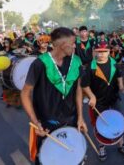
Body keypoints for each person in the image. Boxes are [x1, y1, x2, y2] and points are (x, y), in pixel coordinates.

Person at [21, 27, 87, 164]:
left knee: (71, 156)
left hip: (71, 120)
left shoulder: (76, 61)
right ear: (63, 45)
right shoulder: (40, 64)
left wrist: (80, 117)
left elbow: (79, 89)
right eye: (73, 43)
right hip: (46, 124)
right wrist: (35, 120)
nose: (75, 45)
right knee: (48, 159)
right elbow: (25, 94)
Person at [80, 41, 124, 161]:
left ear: (109, 51)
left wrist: (121, 85)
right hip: (99, 101)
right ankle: (102, 146)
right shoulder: (90, 67)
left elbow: (118, 75)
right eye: (99, 52)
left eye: (104, 51)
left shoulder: (113, 62)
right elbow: (84, 85)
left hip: (113, 98)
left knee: (117, 121)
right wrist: (91, 96)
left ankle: (121, 145)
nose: (102, 54)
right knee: (100, 124)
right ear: (95, 52)